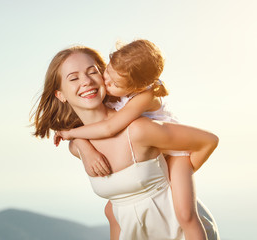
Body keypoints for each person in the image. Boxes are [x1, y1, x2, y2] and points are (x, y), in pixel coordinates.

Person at [31, 46, 219, 239]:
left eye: (92, 72)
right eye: (73, 78)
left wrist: (174, 174)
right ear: (60, 94)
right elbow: (118, 212)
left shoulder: (137, 129)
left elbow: (208, 142)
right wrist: (81, 143)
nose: (86, 81)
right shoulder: (77, 147)